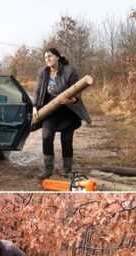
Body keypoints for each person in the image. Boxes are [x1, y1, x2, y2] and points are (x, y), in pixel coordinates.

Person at [33, 48, 91, 180]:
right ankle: (48, 169)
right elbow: (37, 90)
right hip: (50, 111)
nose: (47, 59)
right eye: (45, 57)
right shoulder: (43, 72)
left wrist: (72, 100)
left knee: (66, 140)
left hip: (68, 111)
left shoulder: (69, 71)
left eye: (50, 56)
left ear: (57, 57)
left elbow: (78, 90)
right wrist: (35, 106)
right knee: (46, 137)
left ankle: (67, 170)